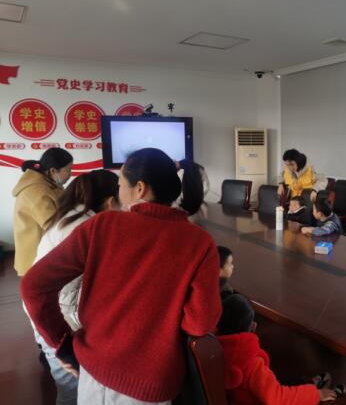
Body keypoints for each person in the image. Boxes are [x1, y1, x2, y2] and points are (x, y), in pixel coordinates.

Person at [21, 148, 222, 404]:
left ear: (140, 188)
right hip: (151, 384)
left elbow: (33, 286)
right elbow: (200, 323)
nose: (118, 191)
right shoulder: (199, 242)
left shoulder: (102, 225)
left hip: (93, 372)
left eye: (120, 184)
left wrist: (63, 344)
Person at [27, 170, 120, 405]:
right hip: (55, 314)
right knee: (71, 388)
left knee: (70, 383)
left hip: (49, 310)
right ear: (111, 202)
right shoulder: (86, 225)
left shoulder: (72, 215)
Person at [217, 294, 337, 404]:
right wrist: (316, 395)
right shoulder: (252, 365)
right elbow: (277, 399)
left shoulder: (214, 350)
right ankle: (315, 390)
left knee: (285, 381)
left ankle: (306, 385)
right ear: (253, 327)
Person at [12, 147, 73, 276]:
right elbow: (54, 226)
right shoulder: (36, 191)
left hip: (46, 253)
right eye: (68, 170)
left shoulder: (51, 184)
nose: (70, 174)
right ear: (53, 171)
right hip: (35, 257)